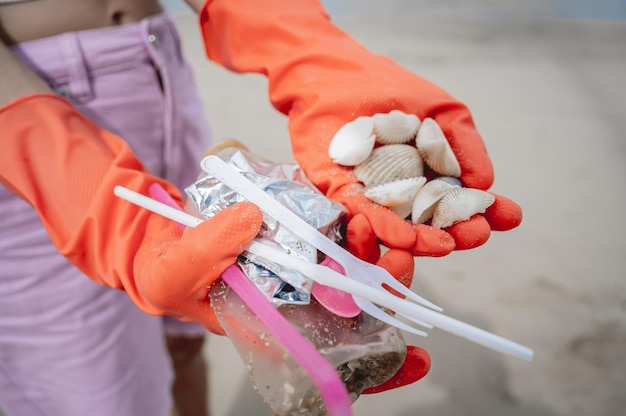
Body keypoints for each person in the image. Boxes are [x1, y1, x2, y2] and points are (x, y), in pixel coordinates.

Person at [0, 1, 523, 415]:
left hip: (155, 65)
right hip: (21, 109)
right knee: (98, 393)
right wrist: (57, 168)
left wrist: (307, 50)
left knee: (188, 335)